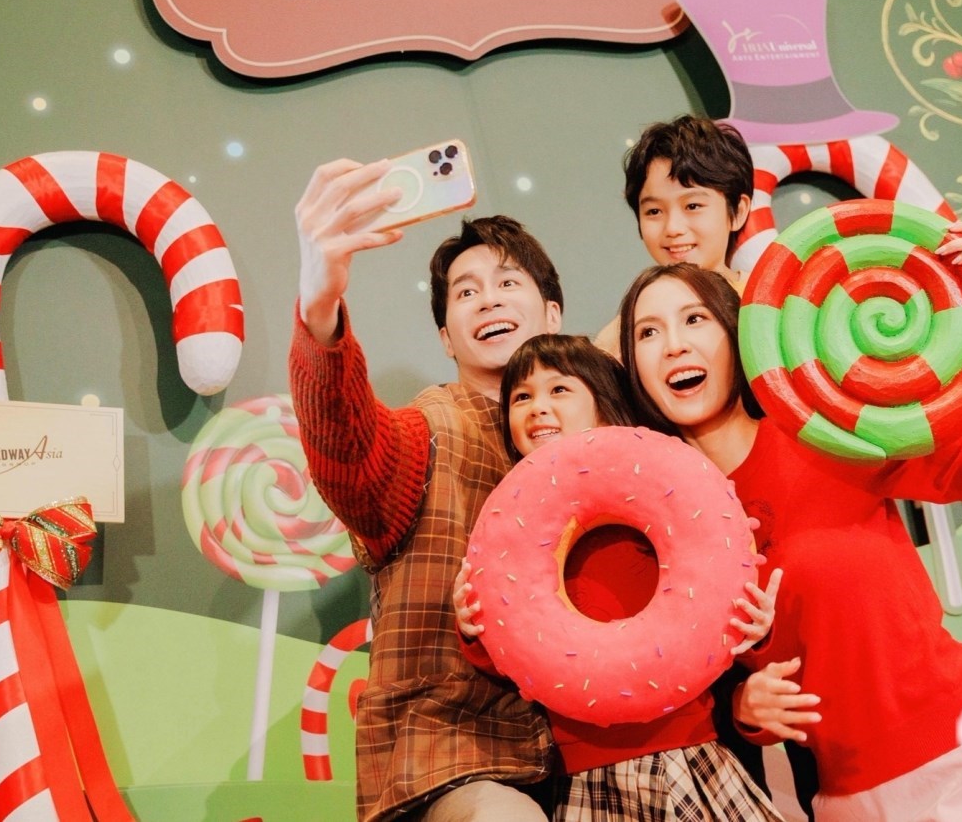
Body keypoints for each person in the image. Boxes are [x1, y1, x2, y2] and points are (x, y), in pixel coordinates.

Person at [617, 229, 962, 821]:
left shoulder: (823, 433)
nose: (674, 345)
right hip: (852, 797)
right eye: (648, 332)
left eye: (694, 319)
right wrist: (744, 708)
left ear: (735, 332)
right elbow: (710, 674)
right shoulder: (668, 524)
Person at [290, 158, 564, 822]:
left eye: (508, 282)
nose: (489, 299)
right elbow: (352, 456)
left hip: (584, 754)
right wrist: (320, 309)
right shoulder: (430, 429)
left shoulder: (603, 437)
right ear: (446, 337)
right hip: (453, 759)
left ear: (552, 313)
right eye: (466, 292)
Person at [453, 333, 788, 822]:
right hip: (585, 771)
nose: (537, 407)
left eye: (559, 389)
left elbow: (718, 623)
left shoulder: (666, 501)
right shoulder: (513, 531)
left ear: (606, 405)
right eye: (521, 397)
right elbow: (517, 656)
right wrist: (473, 629)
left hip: (690, 752)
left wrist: (756, 632)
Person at [594, 116, 754, 355]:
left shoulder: (766, 300)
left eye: (693, 206)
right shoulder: (624, 333)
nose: (673, 228)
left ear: (738, 212)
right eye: (654, 211)